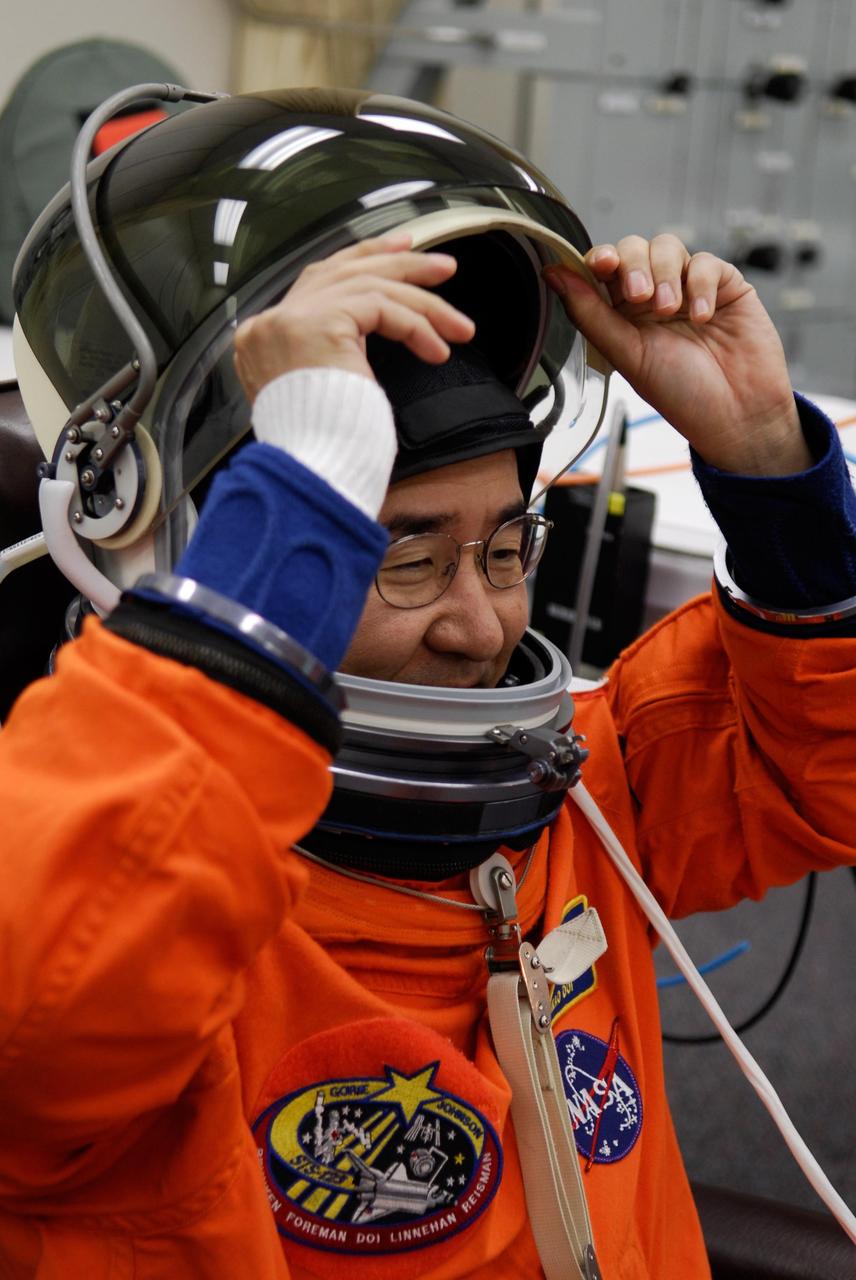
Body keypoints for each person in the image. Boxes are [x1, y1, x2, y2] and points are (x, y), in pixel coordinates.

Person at [2, 106, 856, 1280]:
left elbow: (811, 769)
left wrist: (768, 462)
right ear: (216, 548)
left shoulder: (582, 791)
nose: (480, 622)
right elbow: (46, 1003)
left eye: (507, 548)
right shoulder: (139, 912)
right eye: (401, 557)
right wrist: (302, 499)